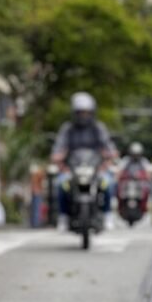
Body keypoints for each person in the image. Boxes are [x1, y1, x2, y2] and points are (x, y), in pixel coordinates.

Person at [50, 91, 116, 231]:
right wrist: (58, 156)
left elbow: (108, 146)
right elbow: (58, 148)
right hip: (72, 170)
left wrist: (110, 155)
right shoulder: (67, 129)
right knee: (61, 185)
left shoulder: (98, 128)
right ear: (75, 113)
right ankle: (63, 217)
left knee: (108, 184)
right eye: (80, 113)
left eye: (86, 112)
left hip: (95, 170)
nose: (83, 116)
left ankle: (107, 214)